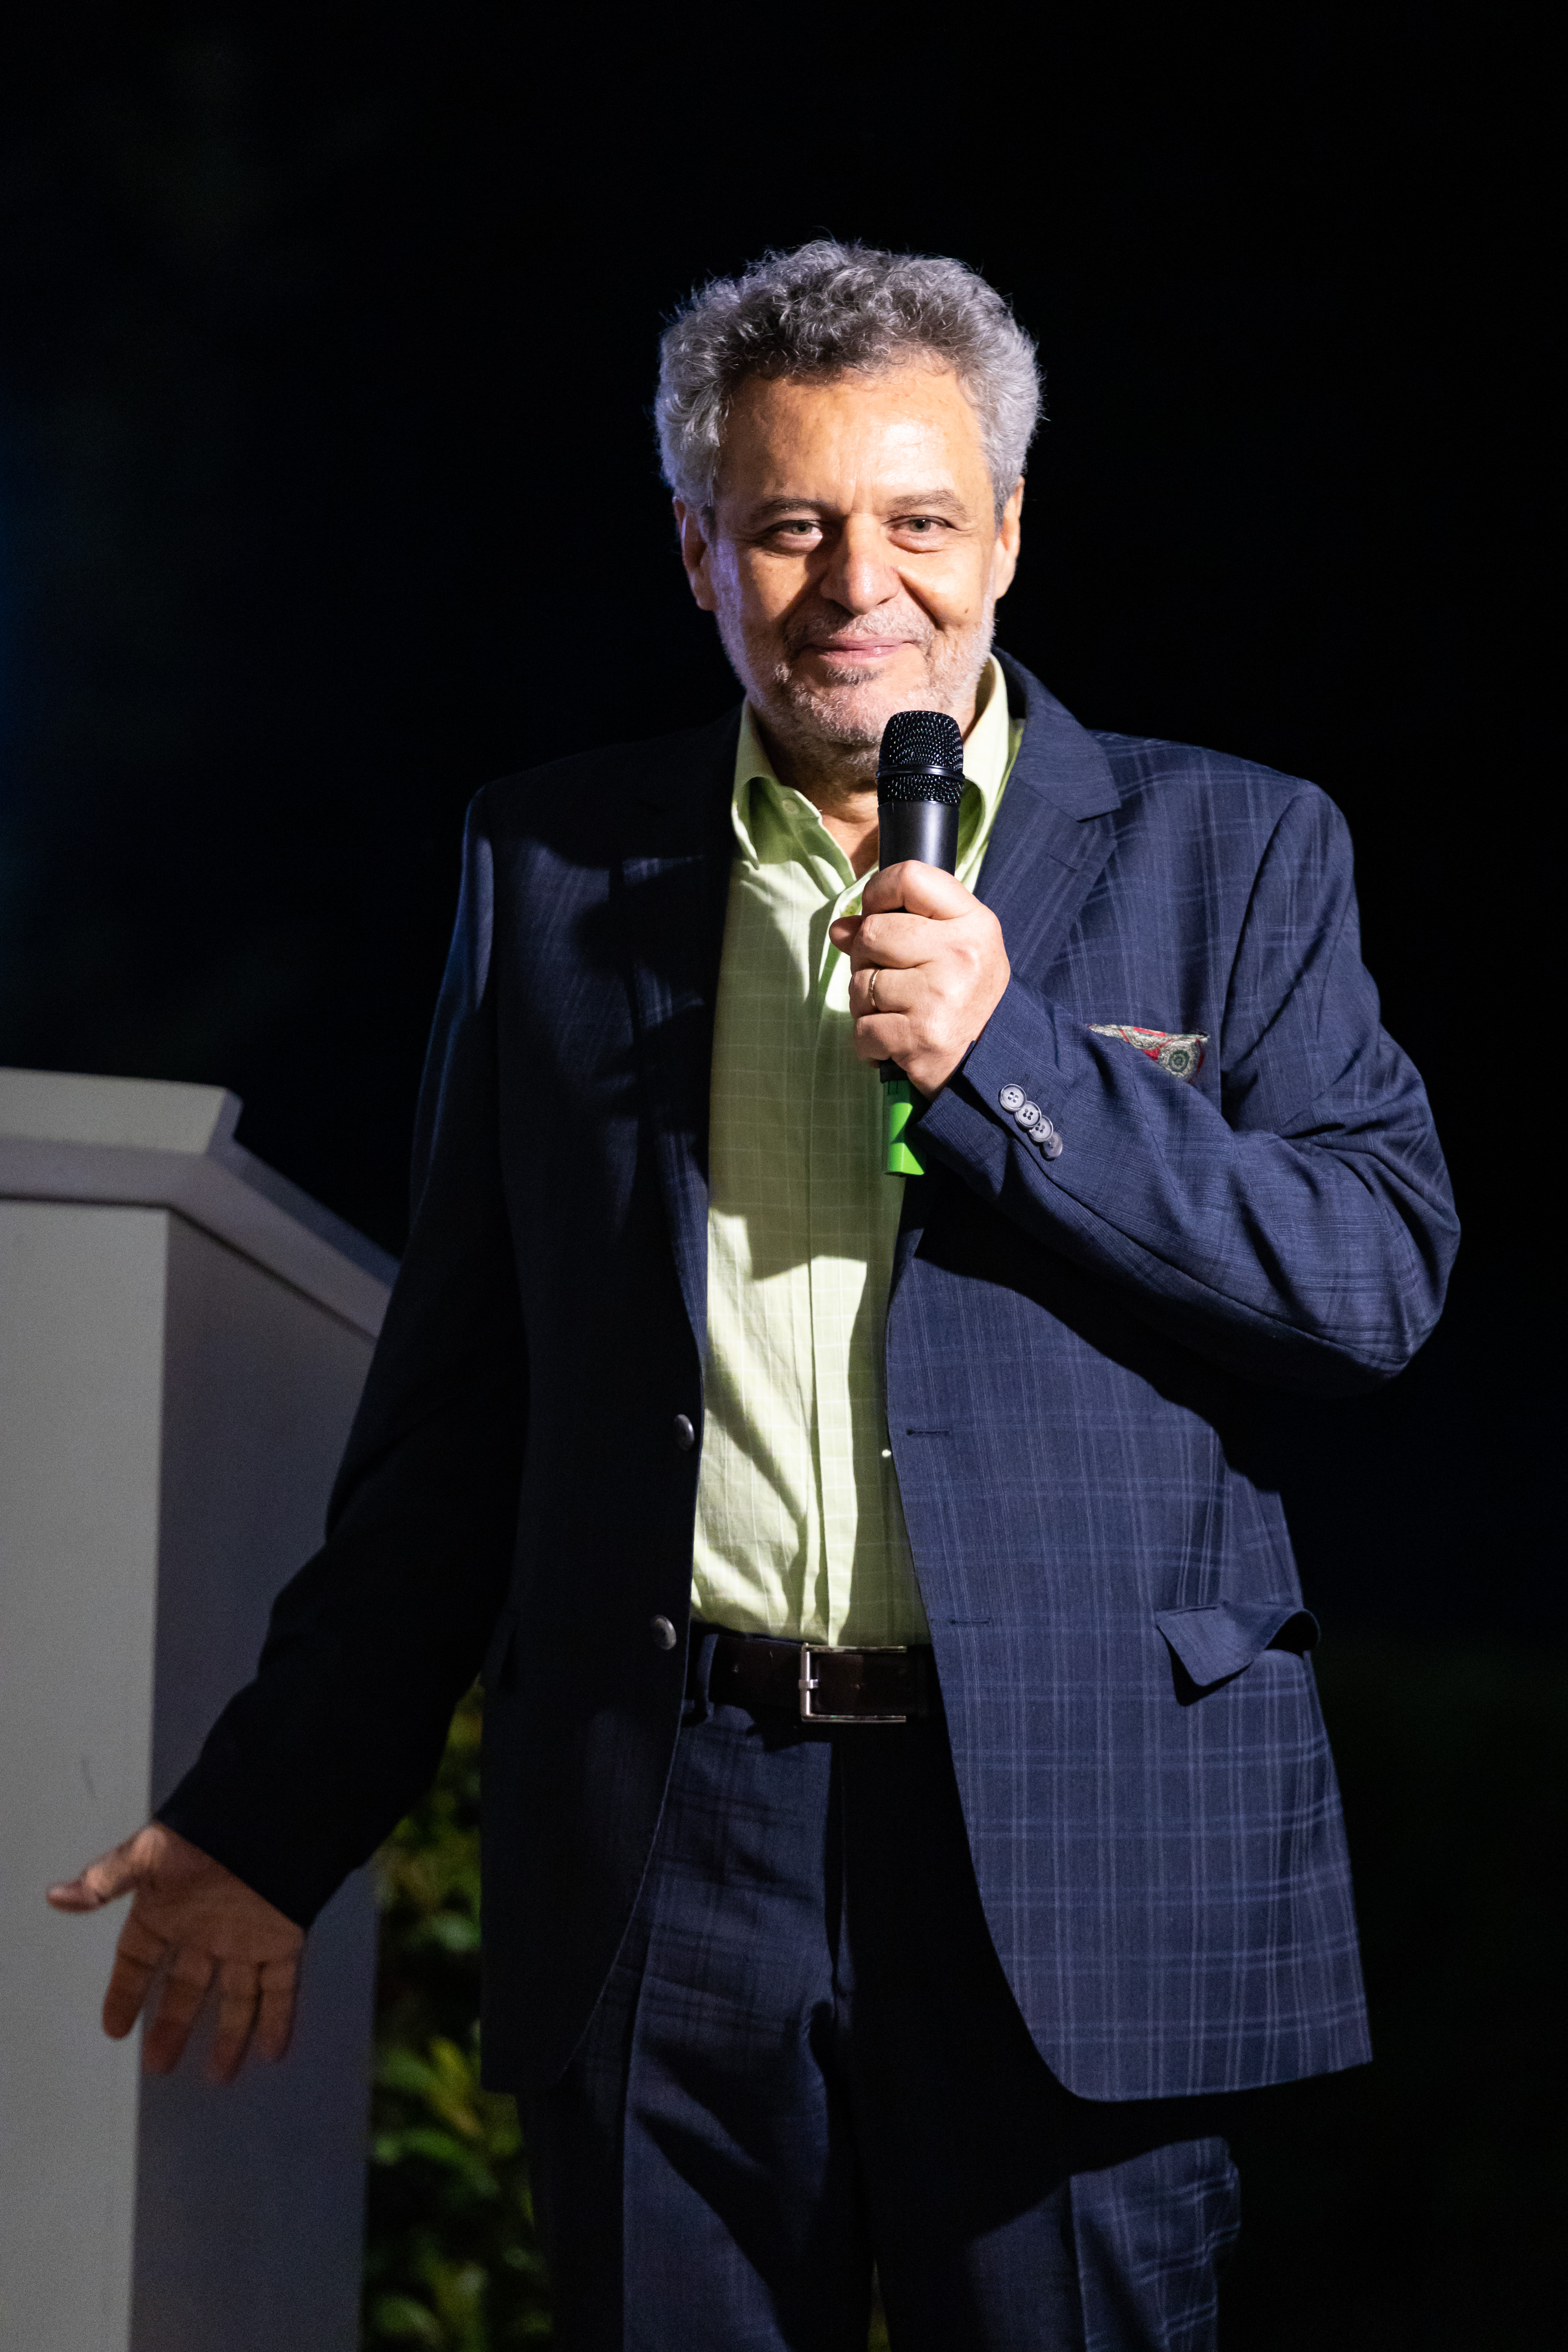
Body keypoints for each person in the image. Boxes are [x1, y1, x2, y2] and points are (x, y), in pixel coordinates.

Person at [49, 241, 1458, 2350]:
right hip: (669, 1842)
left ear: (1006, 534)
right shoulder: (548, 864)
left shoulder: (1234, 850)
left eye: (916, 521)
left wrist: (1014, 1066)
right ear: (697, 549)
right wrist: (266, 1819)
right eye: (790, 524)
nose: (855, 583)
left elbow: (1370, 1278)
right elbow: (459, 1423)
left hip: (1076, 1843)